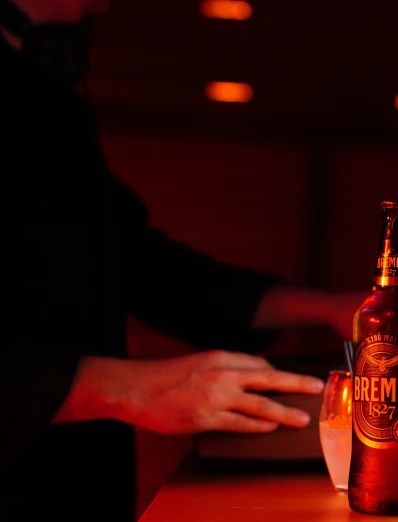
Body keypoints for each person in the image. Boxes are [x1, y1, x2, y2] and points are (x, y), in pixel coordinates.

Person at [0, 0, 362, 520]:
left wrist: (323, 307)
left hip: (82, 476)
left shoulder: (49, 82)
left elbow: (142, 265)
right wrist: (122, 387)